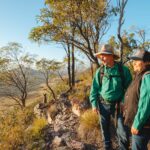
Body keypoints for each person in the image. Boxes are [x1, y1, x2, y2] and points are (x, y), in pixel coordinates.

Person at [89, 44, 132, 150]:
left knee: (122, 131)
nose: (102, 58)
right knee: (105, 129)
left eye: (104, 55)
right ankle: (107, 147)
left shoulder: (123, 70)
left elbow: (130, 89)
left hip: (119, 106)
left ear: (112, 56)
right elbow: (94, 89)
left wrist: (123, 101)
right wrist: (94, 104)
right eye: (101, 56)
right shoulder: (100, 71)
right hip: (103, 105)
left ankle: (123, 148)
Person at [124, 49, 150, 150]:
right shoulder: (139, 75)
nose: (134, 63)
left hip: (143, 126)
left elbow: (146, 102)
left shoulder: (147, 76)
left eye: (137, 60)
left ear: (147, 62)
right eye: (133, 60)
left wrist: (137, 124)